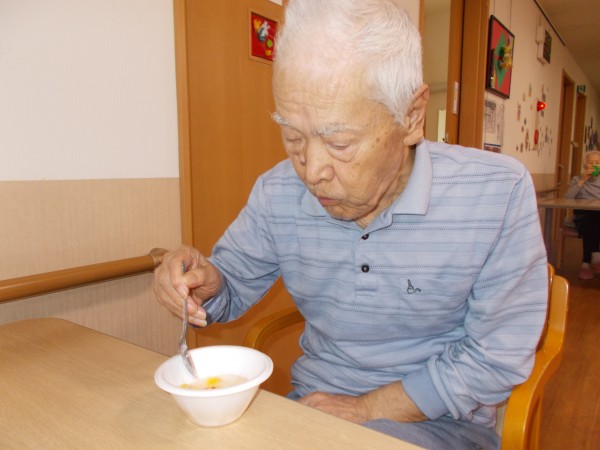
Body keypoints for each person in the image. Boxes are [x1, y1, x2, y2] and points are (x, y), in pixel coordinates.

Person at [153, 1, 548, 448]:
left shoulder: (496, 193)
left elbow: (496, 357)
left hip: (442, 423)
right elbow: (230, 288)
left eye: (339, 143)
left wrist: (366, 408)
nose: (311, 170)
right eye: (292, 136)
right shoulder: (277, 191)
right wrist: (204, 285)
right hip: (313, 408)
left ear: (412, 116)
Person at [564, 150, 600, 280]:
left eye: (597, 163)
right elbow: (567, 198)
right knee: (591, 219)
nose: (594, 165)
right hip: (582, 216)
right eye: (591, 162)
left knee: (595, 220)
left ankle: (586, 264)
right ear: (585, 165)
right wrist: (583, 180)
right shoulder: (577, 179)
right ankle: (596, 257)